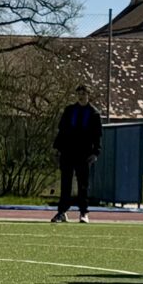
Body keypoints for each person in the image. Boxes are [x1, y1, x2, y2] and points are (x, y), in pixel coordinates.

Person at [52, 84, 103, 222]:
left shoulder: (94, 113)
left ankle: (83, 212)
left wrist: (96, 152)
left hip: (84, 153)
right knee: (65, 182)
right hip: (68, 152)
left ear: (88, 95)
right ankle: (62, 211)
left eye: (83, 94)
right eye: (79, 94)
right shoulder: (69, 110)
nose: (81, 96)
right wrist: (57, 148)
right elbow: (62, 131)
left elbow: (97, 135)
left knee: (83, 184)